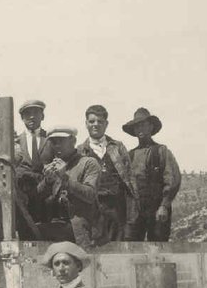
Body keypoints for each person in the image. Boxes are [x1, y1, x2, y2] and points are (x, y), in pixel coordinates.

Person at [77, 104, 134, 244]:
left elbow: (130, 180)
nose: (95, 125)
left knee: (117, 249)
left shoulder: (117, 147)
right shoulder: (80, 151)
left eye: (100, 121)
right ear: (86, 124)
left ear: (106, 124)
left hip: (116, 208)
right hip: (92, 209)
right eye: (91, 121)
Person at [122, 107, 181, 241]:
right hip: (135, 211)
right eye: (137, 126)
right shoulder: (129, 156)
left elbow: (172, 179)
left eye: (143, 125)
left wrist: (164, 206)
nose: (140, 129)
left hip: (156, 209)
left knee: (158, 247)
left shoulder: (161, 151)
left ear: (150, 127)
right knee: (132, 247)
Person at [37, 127, 99, 248]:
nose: (57, 146)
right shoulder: (53, 165)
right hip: (56, 226)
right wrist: (48, 181)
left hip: (80, 230)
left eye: (61, 140)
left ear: (73, 141)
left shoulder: (88, 163)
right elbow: (38, 196)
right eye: (54, 142)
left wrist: (64, 178)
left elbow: (90, 195)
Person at [17, 99, 49, 172]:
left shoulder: (50, 139)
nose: (32, 117)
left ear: (42, 116)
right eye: (28, 113)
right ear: (22, 118)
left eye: (36, 113)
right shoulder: (16, 141)